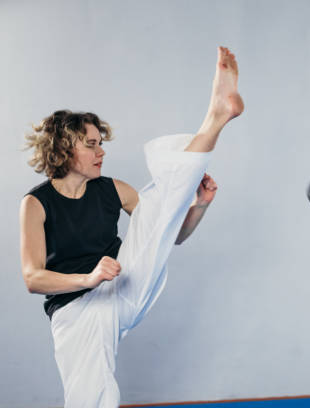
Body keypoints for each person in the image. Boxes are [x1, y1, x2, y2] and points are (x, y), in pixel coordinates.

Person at [19, 46, 243, 407]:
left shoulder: (111, 189)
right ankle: (215, 118)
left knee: (160, 203)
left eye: (101, 144)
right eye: (91, 145)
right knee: (92, 397)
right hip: (77, 310)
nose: (101, 152)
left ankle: (216, 119)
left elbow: (167, 234)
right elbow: (33, 278)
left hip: (122, 287)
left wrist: (198, 207)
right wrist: (88, 278)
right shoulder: (36, 203)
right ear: (63, 149)